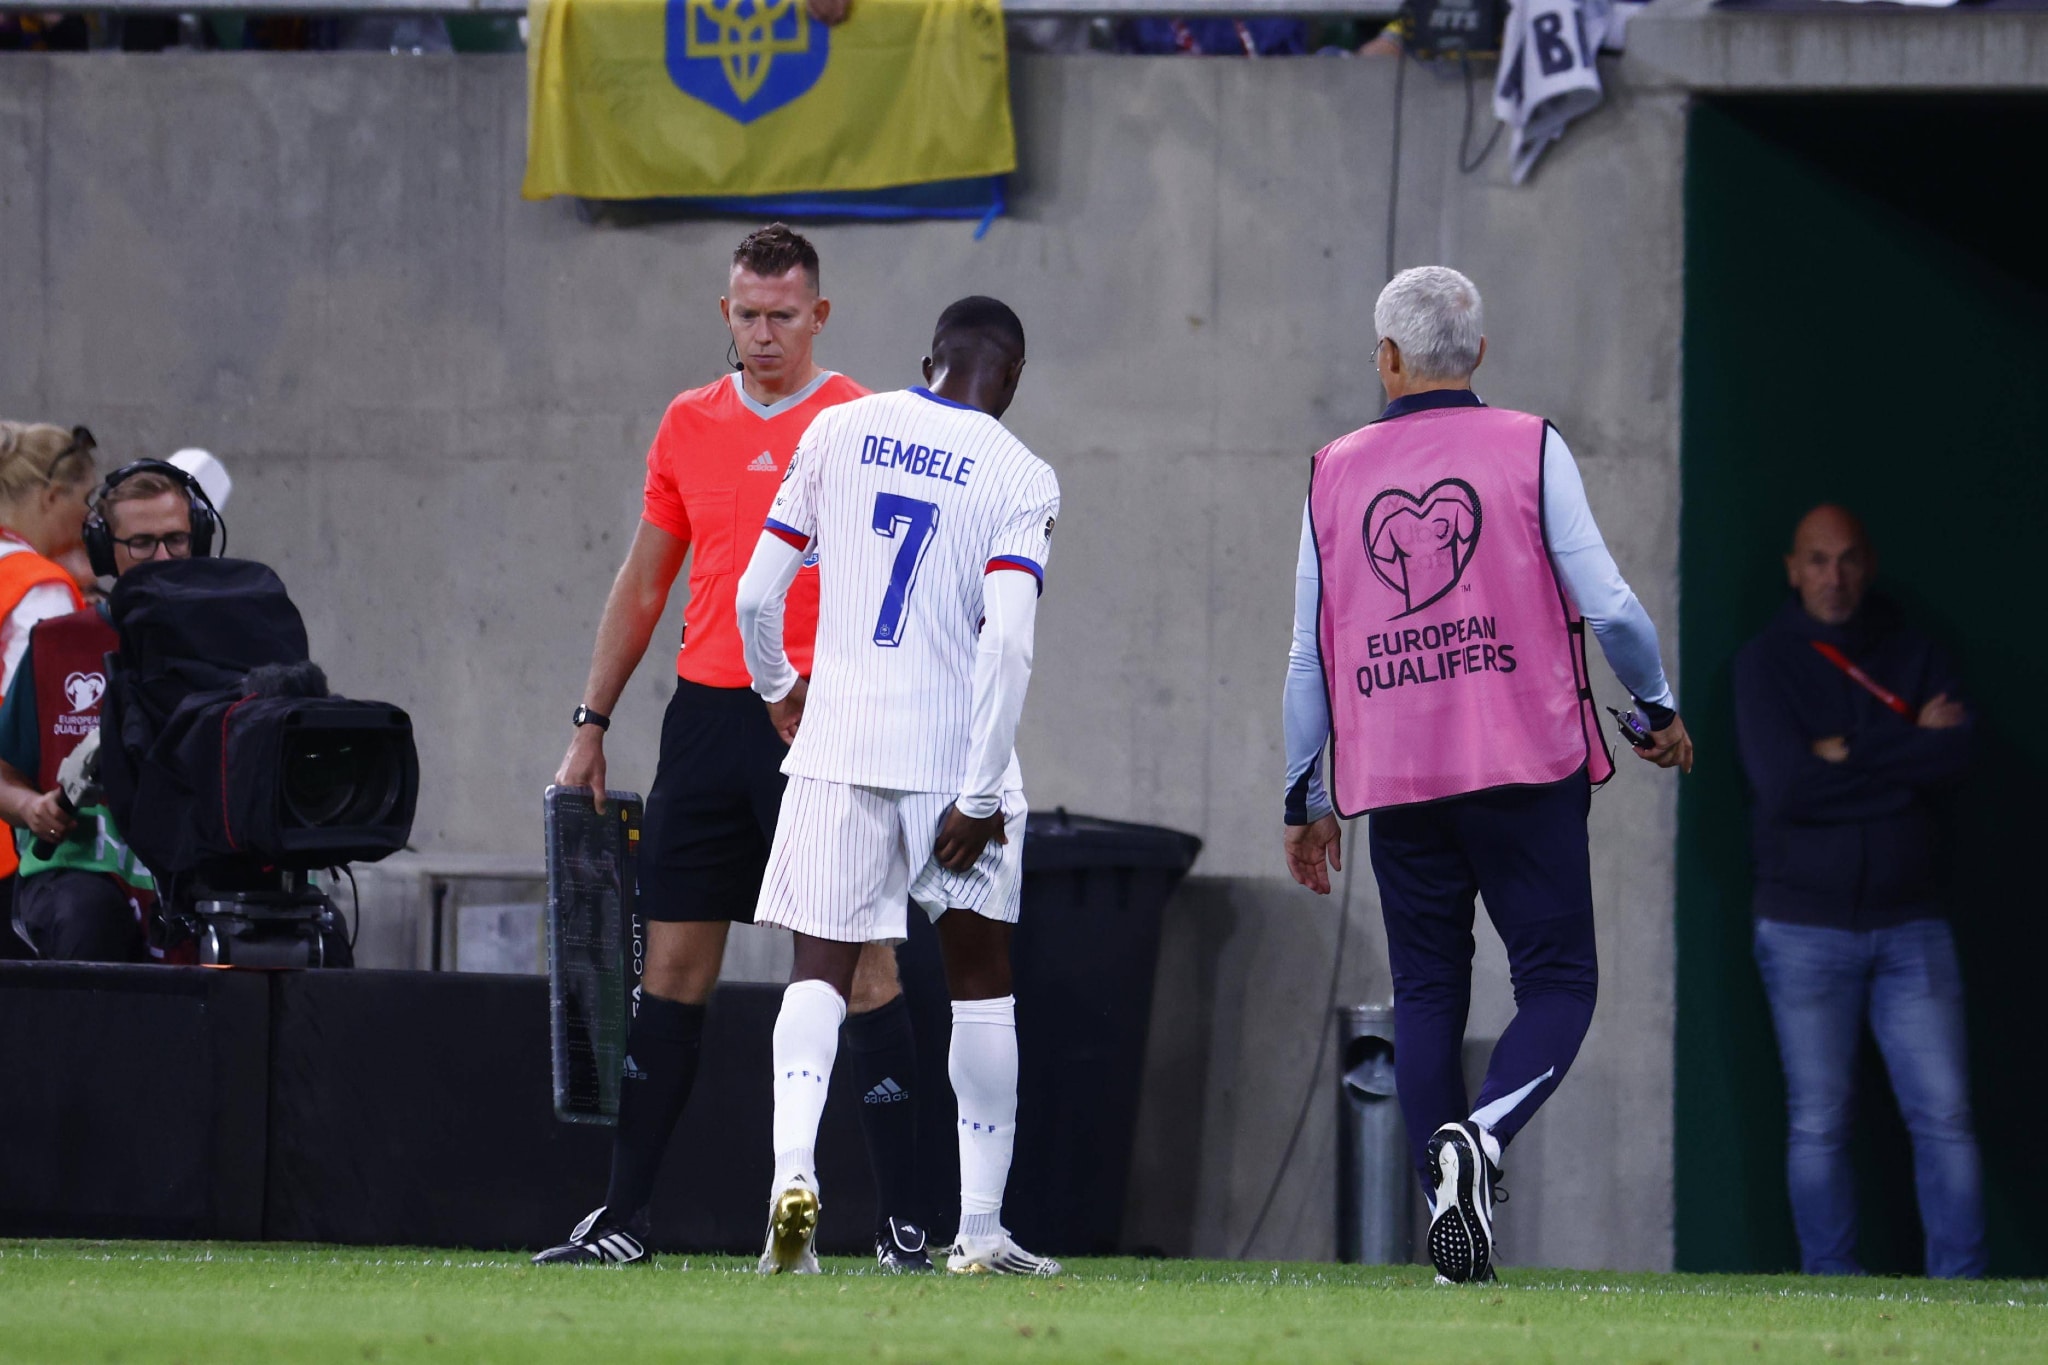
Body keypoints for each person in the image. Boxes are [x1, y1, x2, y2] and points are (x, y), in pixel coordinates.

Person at [1279, 266, 1691, 1285]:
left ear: (1384, 360)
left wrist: (1305, 797)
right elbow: (1613, 610)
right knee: (1556, 981)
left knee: (1426, 993)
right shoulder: (1528, 444)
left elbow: (1305, 655)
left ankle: (1445, 1219)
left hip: (1396, 777)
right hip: (1523, 764)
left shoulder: (1331, 470)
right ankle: (1486, 1138)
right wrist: (1656, 708)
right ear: (1478, 356)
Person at [540, 224, 930, 1272]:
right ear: (726, 314)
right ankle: (623, 1219)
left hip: (819, 722)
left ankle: (902, 1228)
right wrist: (591, 722)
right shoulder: (687, 422)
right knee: (668, 971)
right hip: (706, 722)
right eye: (746, 316)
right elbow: (645, 581)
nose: (763, 334)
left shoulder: (860, 423)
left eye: (782, 316)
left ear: (819, 316)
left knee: (865, 969)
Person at [734, 296, 1061, 1277]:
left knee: (816, 979)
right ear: (1009, 380)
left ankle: (792, 1182)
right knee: (980, 994)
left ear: (928, 360)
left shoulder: (836, 428)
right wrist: (974, 792)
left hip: (837, 746)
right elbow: (1006, 642)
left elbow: (756, 592)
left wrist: (777, 690)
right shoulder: (1018, 473)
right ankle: (980, 1228)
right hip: (952, 765)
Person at [1734, 505, 1983, 1279]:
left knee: (1945, 1118)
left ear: (1867, 565)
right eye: (1816, 560)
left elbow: (1958, 757)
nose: (1832, 577)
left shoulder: (1914, 651)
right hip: (1803, 929)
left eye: (1845, 560)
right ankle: (1831, 1290)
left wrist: (1853, 752)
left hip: (1913, 927)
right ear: (1792, 568)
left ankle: (1967, 1296)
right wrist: (1907, 750)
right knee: (1818, 1124)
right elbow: (1787, 788)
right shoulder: (1765, 663)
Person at [0, 462, 212, 961]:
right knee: (90, 919)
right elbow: (4, 771)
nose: (161, 556)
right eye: (141, 543)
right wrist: (31, 808)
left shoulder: (245, 635)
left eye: (176, 539)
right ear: (104, 551)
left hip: (205, 876)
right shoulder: (58, 646)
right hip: (80, 883)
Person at [0, 422, 94, 944]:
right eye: (85, 501)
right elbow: (49, 725)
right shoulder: (40, 589)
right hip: (10, 845)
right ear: (52, 495)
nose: (90, 520)